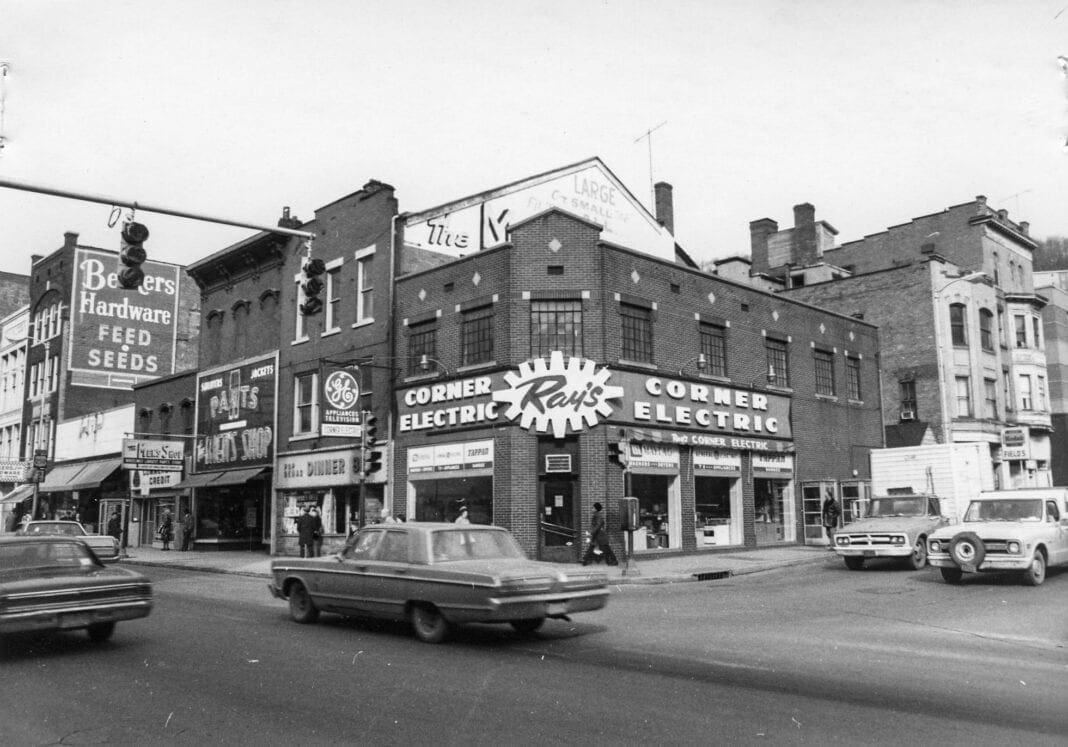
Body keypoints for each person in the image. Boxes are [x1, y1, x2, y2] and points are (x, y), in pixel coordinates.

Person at [582, 502, 618, 566]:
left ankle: (613, 561)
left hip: (600, 535)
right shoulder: (596, 515)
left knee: (606, 548)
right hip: (598, 535)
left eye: (593, 507)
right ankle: (585, 560)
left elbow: (598, 525)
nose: (592, 508)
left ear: (596, 509)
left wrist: (591, 532)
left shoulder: (598, 516)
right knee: (593, 547)